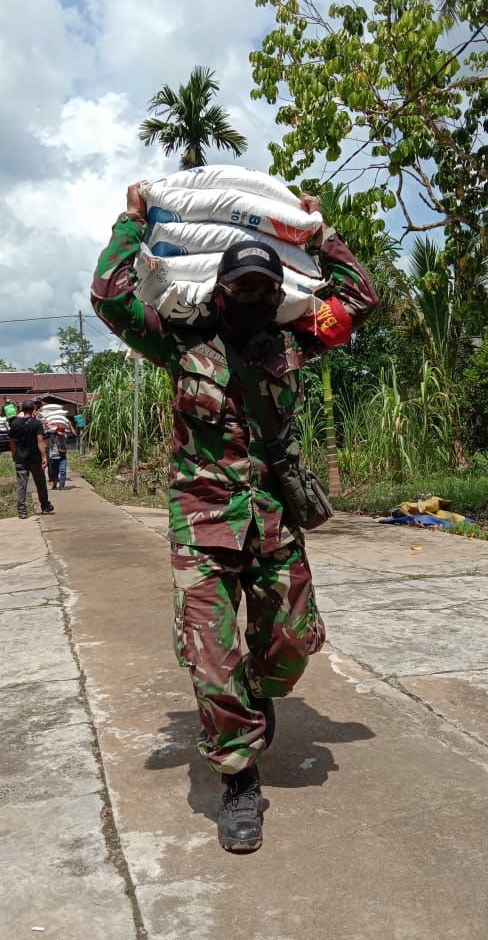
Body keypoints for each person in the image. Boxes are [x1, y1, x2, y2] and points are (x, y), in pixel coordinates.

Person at [91, 183, 379, 853]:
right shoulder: (179, 343)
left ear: (274, 292)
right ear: (218, 291)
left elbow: (359, 298)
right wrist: (132, 222)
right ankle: (240, 782)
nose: (249, 298)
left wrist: (317, 231)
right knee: (211, 662)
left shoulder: (294, 345)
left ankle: (259, 692)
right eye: (239, 287)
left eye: (260, 288)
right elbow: (109, 297)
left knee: (291, 644)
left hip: (275, 523)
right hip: (204, 527)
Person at [9, 400, 55, 519]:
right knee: (40, 483)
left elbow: (12, 441)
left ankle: (22, 511)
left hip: (20, 459)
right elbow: (40, 441)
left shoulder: (15, 423)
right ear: (33, 409)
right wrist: (44, 456)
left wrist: (13, 453)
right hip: (34, 458)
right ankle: (45, 506)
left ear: (21, 410)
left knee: (21, 484)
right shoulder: (36, 424)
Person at [48, 424, 68, 489]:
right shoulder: (52, 436)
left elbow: (75, 434)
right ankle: (55, 483)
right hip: (53, 457)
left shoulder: (65, 436)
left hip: (62, 456)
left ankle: (61, 487)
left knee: (63, 471)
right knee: (54, 473)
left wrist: (70, 425)